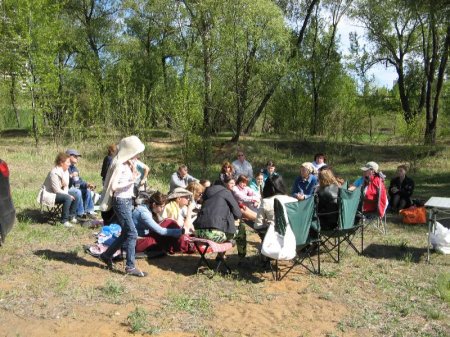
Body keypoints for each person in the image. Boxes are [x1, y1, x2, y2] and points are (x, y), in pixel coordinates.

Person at [98, 135, 147, 277]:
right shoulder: (119, 165)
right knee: (132, 233)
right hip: (120, 202)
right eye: (136, 153)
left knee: (126, 232)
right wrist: (131, 181)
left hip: (127, 201)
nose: (138, 155)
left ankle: (106, 255)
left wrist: (134, 173)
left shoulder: (128, 164)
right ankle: (130, 267)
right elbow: (114, 186)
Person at [42, 152, 80, 227]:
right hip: (50, 194)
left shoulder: (65, 171)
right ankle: (64, 221)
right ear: (61, 163)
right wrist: (68, 195)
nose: (69, 164)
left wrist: (67, 193)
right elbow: (56, 190)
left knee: (76, 195)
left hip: (59, 193)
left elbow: (66, 186)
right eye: (67, 162)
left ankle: (71, 216)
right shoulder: (54, 173)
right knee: (67, 198)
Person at [66, 149, 97, 220]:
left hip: (74, 187)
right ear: (69, 156)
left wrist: (87, 185)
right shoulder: (65, 167)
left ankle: (88, 211)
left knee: (87, 190)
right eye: (75, 156)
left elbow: (77, 182)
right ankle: (79, 213)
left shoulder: (74, 168)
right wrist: (71, 175)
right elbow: (65, 181)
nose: (77, 158)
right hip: (65, 188)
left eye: (77, 157)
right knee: (78, 191)